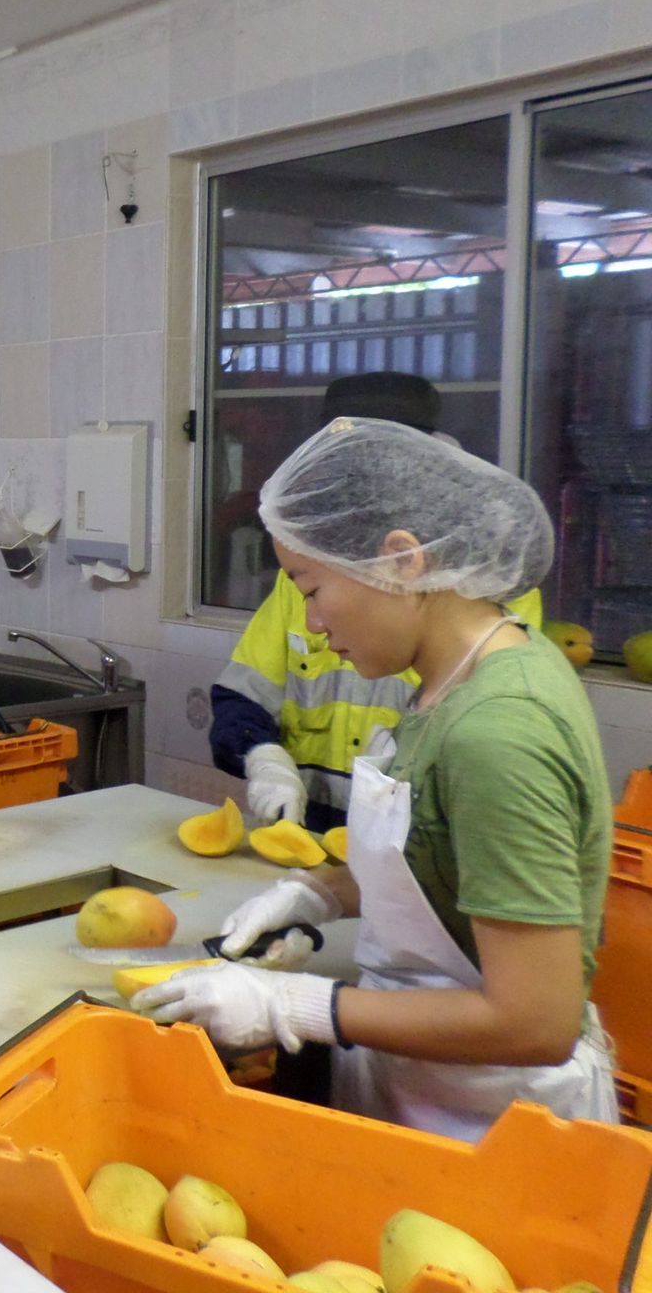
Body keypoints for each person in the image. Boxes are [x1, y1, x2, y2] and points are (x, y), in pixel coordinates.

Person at [137, 418, 618, 1141]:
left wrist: (292, 1007)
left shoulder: (499, 729)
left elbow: (534, 1019)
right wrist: (318, 894)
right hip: (420, 1088)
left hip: (499, 1126)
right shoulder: (449, 684)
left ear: (401, 561)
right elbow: (445, 861)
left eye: (311, 585)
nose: (312, 622)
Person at [210, 373, 542, 831]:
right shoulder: (309, 574)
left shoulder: (485, 591)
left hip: (414, 846)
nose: (316, 618)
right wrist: (264, 759)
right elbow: (241, 696)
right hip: (313, 829)